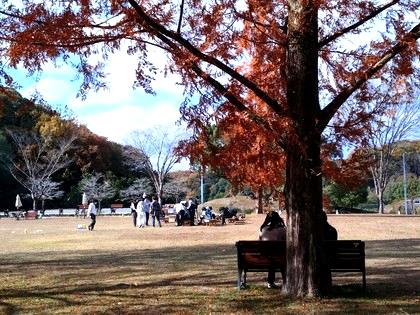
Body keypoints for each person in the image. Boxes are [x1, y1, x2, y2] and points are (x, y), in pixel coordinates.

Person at [258, 211, 286, 288]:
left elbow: (260, 242)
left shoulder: (263, 229)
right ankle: (286, 281)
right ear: (278, 218)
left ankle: (270, 282)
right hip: (279, 258)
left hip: (264, 258)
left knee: (272, 259)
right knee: (281, 259)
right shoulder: (282, 230)